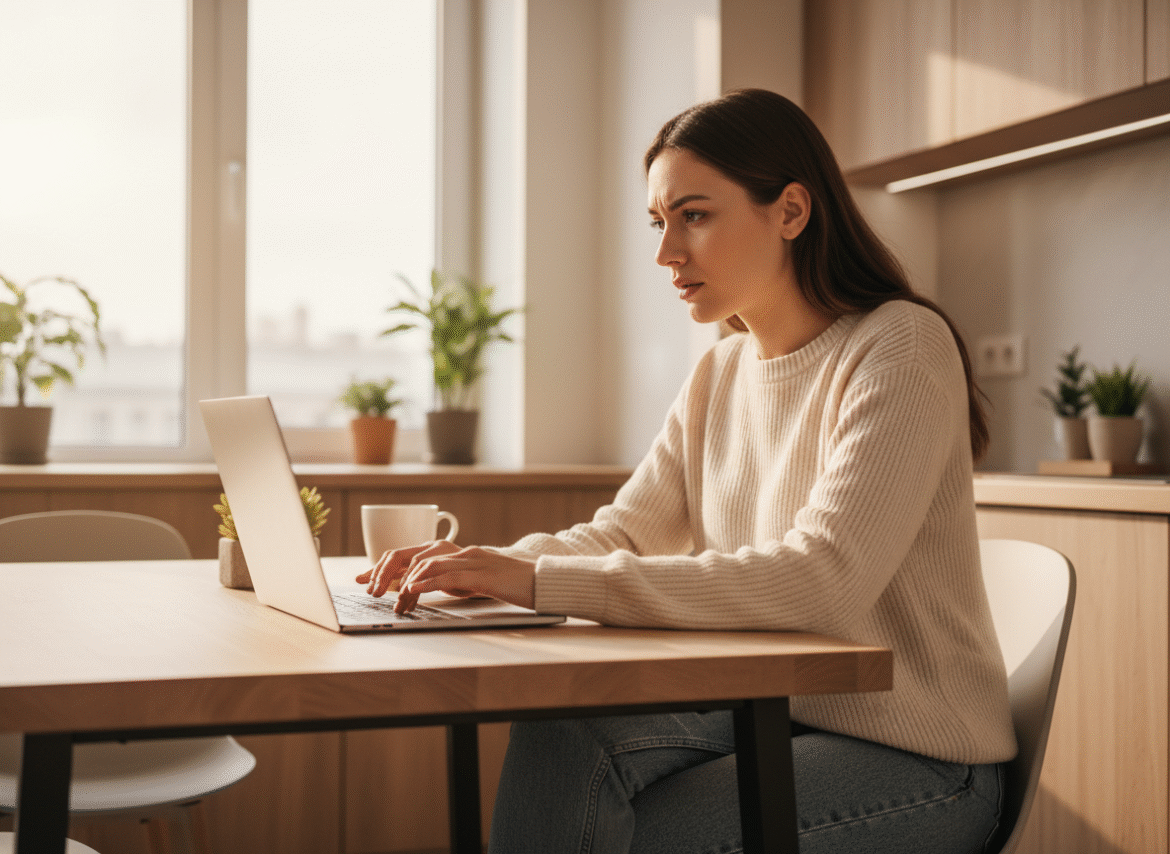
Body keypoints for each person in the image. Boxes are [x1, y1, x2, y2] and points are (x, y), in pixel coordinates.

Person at [357, 88, 1016, 854]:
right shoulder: (721, 371)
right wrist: (490, 567)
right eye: (659, 222)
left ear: (791, 212)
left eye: (693, 215)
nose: (667, 251)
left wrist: (533, 583)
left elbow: (824, 580)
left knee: (631, 836)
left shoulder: (899, 345)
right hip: (770, 711)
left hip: (925, 758)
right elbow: (624, 533)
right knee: (567, 728)